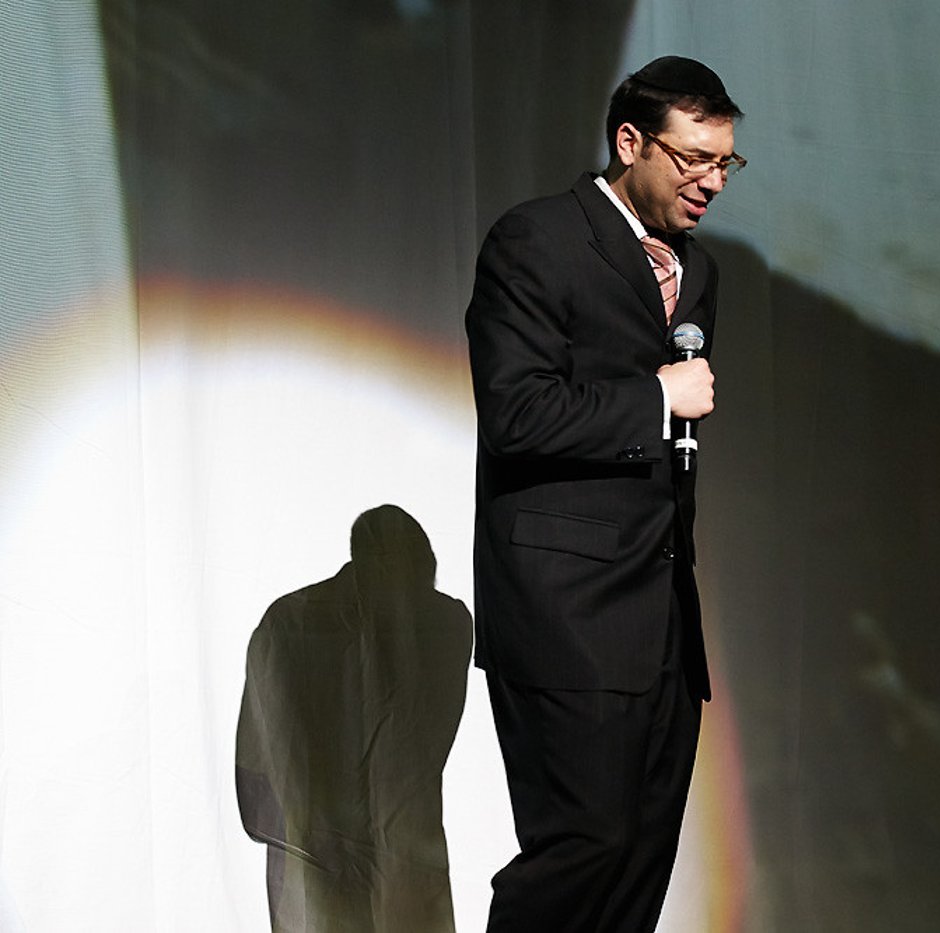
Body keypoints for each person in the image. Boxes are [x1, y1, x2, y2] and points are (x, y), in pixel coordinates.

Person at [465, 56, 745, 932]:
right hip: (565, 611)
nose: (711, 182)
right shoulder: (538, 239)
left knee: (639, 860)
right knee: (583, 844)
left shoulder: (698, 271)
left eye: (725, 163)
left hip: (661, 621)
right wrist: (657, 399)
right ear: (631, 142)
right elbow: (516, 412)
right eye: (693, 158)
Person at [235, 505, 473, 932]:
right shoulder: (294, 623)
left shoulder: (442, 625)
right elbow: (263, 754)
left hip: (388, 849)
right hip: (332, 851)